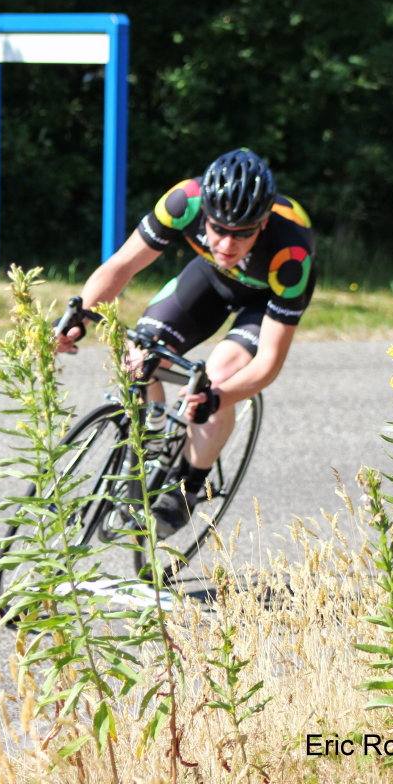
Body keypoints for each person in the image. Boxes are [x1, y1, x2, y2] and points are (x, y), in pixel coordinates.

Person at [56, 149, 315, 537]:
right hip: (210, 280)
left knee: (218, 376)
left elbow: (268, 365)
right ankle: (154, 428)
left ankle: (190, 487)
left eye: (242, 232)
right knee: (138, 353)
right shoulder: (182, 202)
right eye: (218, 229)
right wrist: (81, 317)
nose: (227, 243)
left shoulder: (291, 254)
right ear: (204, 214)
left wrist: (216, 398)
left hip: (262, 299)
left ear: (262, 224)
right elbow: (122, 266)